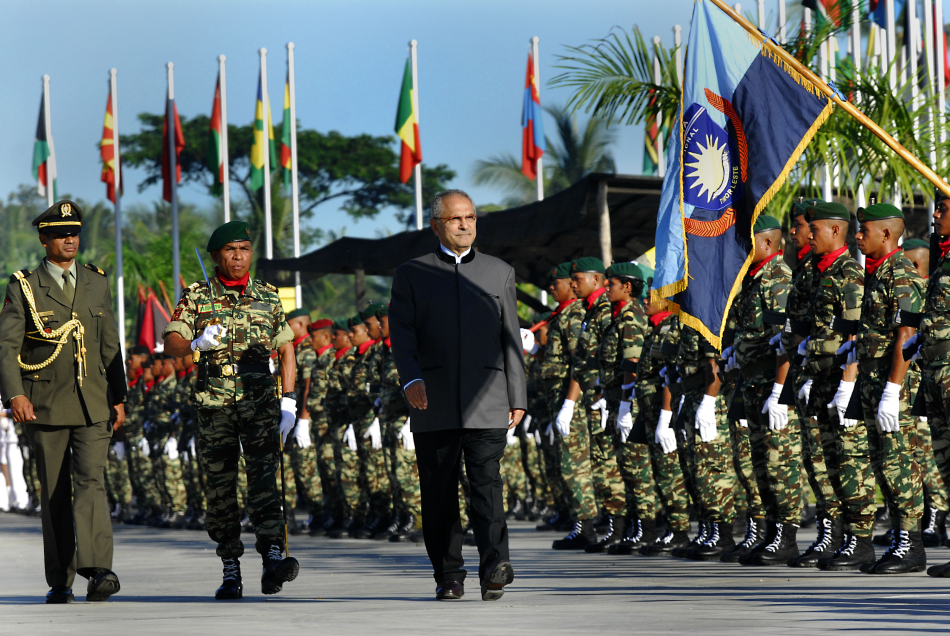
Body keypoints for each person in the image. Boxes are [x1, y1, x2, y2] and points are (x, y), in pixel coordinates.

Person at [389, 189, 526, 602]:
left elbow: (511, 339)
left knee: (487, 486)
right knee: (439, 494)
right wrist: (411, 380)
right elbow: (402, 335)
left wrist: (517, 394)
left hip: (489, 400)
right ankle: (449, 574)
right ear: (436, 225)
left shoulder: (498, 271)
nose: (466, 224)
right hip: (433, 402)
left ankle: (495, 567)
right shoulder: (413, 273)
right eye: (456, 219)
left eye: (470, 217)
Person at [162, 220, 299, 600]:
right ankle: (230, 568)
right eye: (230, 250)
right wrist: (196, 342)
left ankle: (273, 557)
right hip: (215, 405)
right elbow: (170, 342)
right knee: (221, 488)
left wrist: (289, 400)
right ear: (215, 256)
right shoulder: (197, 296)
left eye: (244, 249)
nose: (238, 257)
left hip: (259, 403)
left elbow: (286, 347)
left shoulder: (268, 297)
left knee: (265, 481)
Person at [0, 200, 127, 603]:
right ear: (44, 239)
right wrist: (15, 393)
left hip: (93, 404)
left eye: (73, 233)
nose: (69, 239)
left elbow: (110, 345)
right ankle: (60, 577)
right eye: (59, 234)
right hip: (46, 404)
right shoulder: (23, 286)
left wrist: (119, 397)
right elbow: (6, 347)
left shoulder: (97, 282)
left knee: (92, 482)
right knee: (54, 492)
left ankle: (98, 568)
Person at [850, 203, 926, 573]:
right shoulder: (877, 273)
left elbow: (906, 335)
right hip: (873, 379)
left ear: (887, 234)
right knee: (883, 464)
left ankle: (910, 546)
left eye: (865, 230)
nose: (858, 236)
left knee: (898, 463)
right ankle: (899, 540)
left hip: (892, 380)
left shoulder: (899, 272)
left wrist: (893, 389)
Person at [725, 214, 803, 565]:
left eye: (749, 241)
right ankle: (771, 531)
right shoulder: (753, 281)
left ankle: (786, 536)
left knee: (779, 462)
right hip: (752, 384)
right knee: (760, 464)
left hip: (773, 385)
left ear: (769, 244)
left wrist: (779, 392)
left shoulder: (778, 280)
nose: (741, 249)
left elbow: (785, 342)